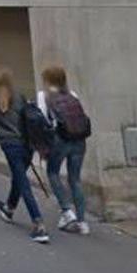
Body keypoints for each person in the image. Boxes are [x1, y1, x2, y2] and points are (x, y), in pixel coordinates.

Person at [0, 68, 51, 244]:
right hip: (27, 145)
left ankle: (39, 224)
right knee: (19, 178)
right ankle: (9, 208)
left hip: (11, 147)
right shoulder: (20, 98)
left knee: (23, 183)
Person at [38, 65, 91, 235]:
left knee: (53, 172)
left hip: (60, 140)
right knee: (75, 179)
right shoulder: (72, 94)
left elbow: (43, 120)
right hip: (79, 140)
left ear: (47, 80)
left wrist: (42, 146)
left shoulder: (44, 96)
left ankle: (67, 211)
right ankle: (82, 222)